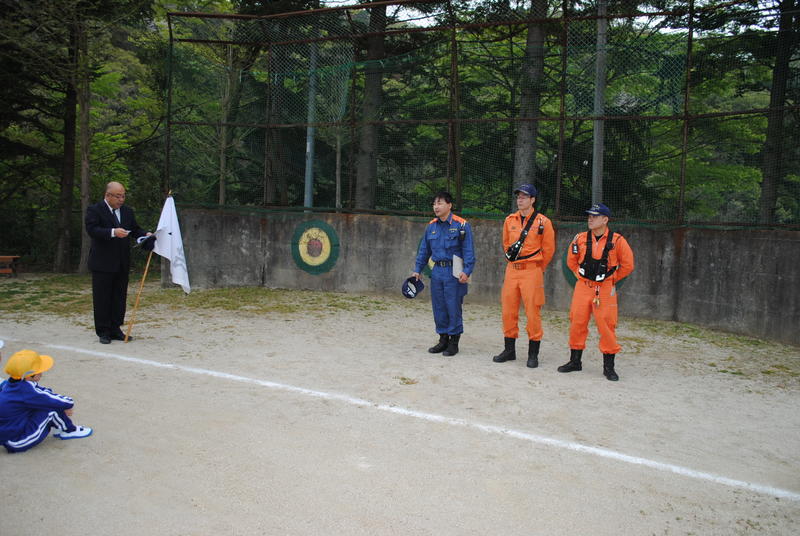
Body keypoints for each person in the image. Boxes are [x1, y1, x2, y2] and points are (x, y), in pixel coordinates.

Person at [558, 203, 634, 381]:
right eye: (589, 216)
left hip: (605, 289)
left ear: (605, 219)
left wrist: (611, 279)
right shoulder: (580, 238)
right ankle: (575, 361)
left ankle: (609, 367)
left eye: (595, 216)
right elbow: (571, 260)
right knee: (577, 322)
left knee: (607, 325)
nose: (590, 219)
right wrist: (579, 275)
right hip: (583, 287)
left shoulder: (617, 241)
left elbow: (628, 265)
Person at [492, 184, 556, 368]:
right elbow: (506, 244)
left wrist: (537, 268)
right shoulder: (509, 220)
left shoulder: (543, 222)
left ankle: (533, 354)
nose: (520, 200)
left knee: (532, 312)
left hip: (532, 271)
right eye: (518, 197)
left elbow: (549, 249)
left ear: (532, 200)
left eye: (524, 197)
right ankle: (509, 350)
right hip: (512, 270)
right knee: (508, 310)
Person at [85, 182, 151, 344]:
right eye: (118, 196)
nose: (121, 199)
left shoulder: (127, 211)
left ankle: (115, 328)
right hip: (102, 262)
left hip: (122, 261)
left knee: (119, 297)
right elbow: (92, 230)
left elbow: (135, 229)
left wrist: (146, 234)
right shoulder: (95, 210)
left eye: (123, 196)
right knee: (102, 297)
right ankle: (103, 331)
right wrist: (113, 232)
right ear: (108, 196)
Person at [412, 191, 476, 356]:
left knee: (453, 306)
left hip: (454, 271)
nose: (436, 207)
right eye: (434, 204)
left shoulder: (461, 225)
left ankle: (454, 342)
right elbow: (424, 251)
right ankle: (443, 339)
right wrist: (417, 270)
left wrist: (467, 271)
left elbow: (468, 250)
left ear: (449, 205)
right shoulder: (431, 226)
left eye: (440, 203)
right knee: (439, 306)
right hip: (437, 271)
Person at [0, 349, 92, 453]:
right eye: (39, 371)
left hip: (10, 432)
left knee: (45, 405)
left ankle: (60, 425)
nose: (42, 373)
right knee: (51, 410)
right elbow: (64, 402)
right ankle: (70, 430)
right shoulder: (26, 390)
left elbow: (41, 393)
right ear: (29, 375)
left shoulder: (11, 384)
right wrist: (66, 405)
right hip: (16, 441)